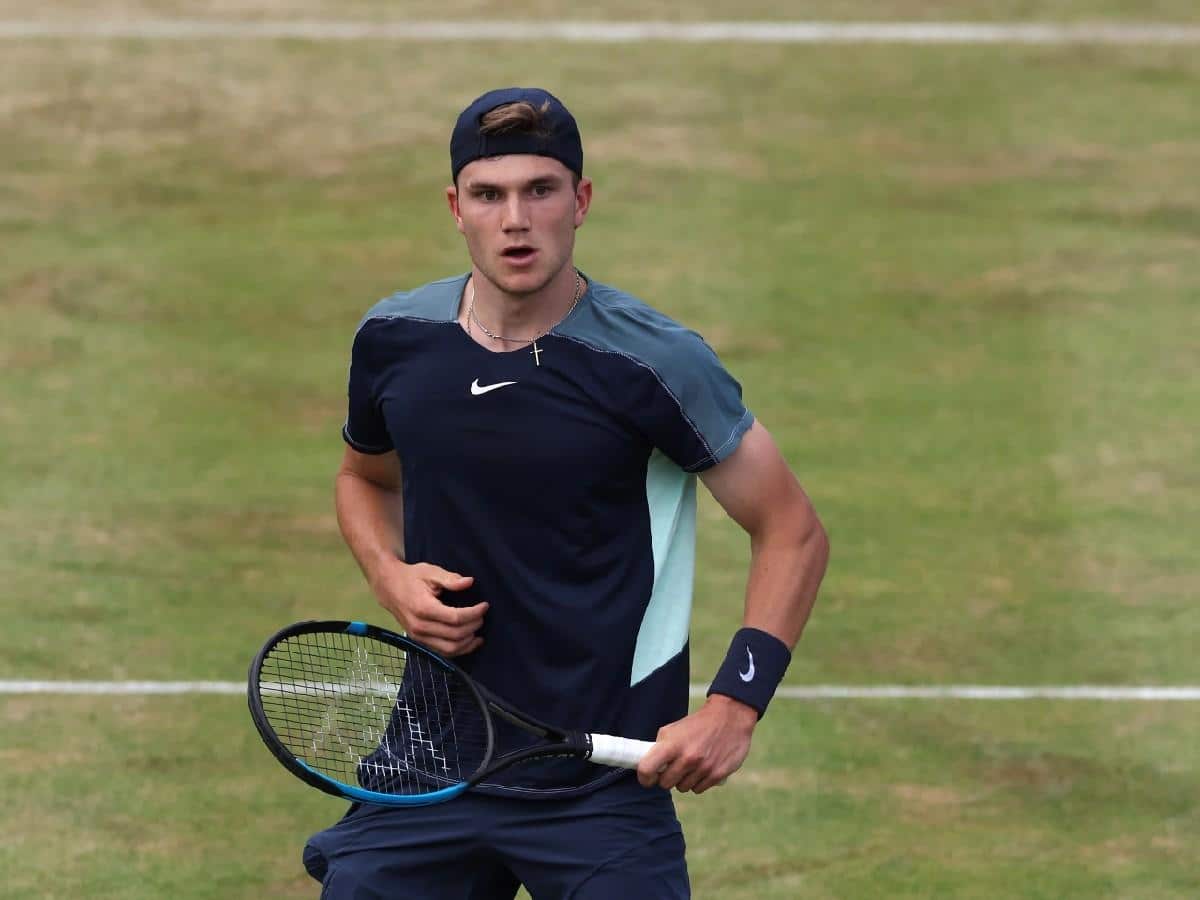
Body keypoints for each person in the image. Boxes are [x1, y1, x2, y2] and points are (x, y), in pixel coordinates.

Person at [303, 86, 829, 899]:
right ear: (456, 207)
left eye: (540, 191)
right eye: (490, 194)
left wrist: (734, 704)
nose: (516, 219)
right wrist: (388, 574)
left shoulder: (655, 365)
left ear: (579, 201)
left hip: (598, 785)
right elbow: (364, 477)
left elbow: (791, 530)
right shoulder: (396, 341)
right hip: (427, 767)